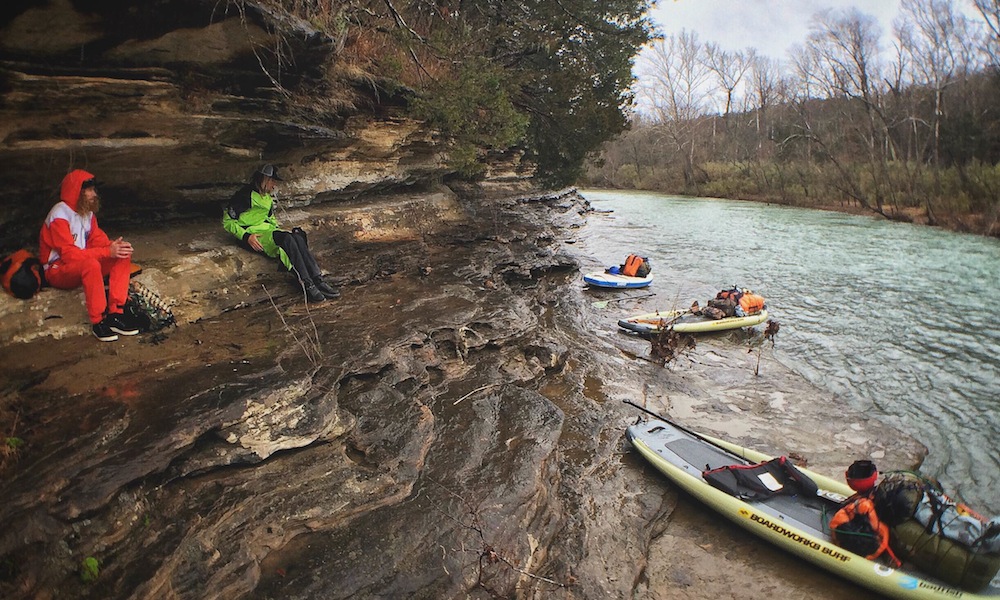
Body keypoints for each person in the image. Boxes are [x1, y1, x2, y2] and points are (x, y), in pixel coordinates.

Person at [39, 169, 140, 342]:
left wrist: (114, 247)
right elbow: (69, 255)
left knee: (121, 255)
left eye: (94, 190)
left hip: (79, 266)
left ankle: (115, 313)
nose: (94, 194)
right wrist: (106, 251)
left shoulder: (87, 213)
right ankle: (98, 321)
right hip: (57, 270)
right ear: (78, 191)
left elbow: (97, 240)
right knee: (91, 264)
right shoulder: (59, 215)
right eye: (90, 190)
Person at [223, 164, 339, 303]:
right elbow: (227, 221)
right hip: (250, 234)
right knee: (286, 240)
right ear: (264, 179)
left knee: (297, 236)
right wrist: (246, 237)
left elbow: (269, 218)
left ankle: (317, 278)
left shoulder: (266, 197)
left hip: (266, 231)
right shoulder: (245, 196)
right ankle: (306, 283)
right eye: (272, 181)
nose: (274, 184)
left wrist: (276, 229)